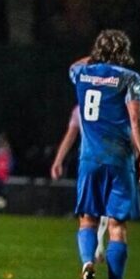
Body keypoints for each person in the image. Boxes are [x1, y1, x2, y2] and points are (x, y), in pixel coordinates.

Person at [68, 30, 140, 279]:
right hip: (119, 158)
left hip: (89, 159)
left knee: (88, 220)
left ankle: (88, 263)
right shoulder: (130, 78)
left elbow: (75, 64)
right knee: (117, 227)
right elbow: (136, 119)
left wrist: (98, 56)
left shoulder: (82, 73)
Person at [50, 106, 110, 263]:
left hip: (88, 160)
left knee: (87, 214)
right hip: (111, 158)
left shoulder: (80, 107)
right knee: (107, 207)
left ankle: (88, 261)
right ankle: (99, 246)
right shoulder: (111, 99)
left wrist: (58, 161)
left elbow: (70, 135)